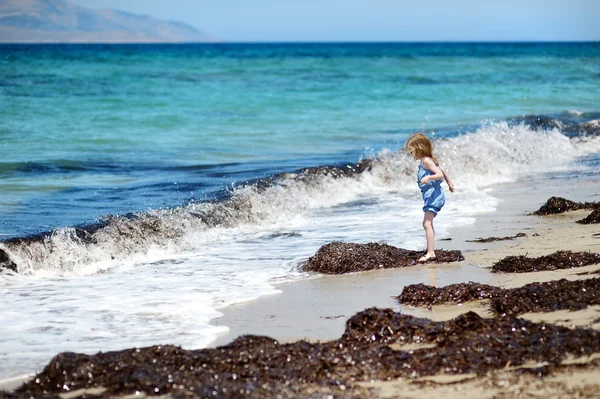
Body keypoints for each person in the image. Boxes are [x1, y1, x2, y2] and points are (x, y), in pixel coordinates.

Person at [405, 133, 455, 262]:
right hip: (433, 196)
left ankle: (431, 252)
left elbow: (438, 174)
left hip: (434, 196)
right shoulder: (427, 160)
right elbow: (442, 169)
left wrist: (429, 177)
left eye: (411, 151)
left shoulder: (427, 161)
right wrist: (450, 183)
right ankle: (430, 250)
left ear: (419, 148)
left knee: (426, 223)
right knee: (428, 223)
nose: (411, 155)